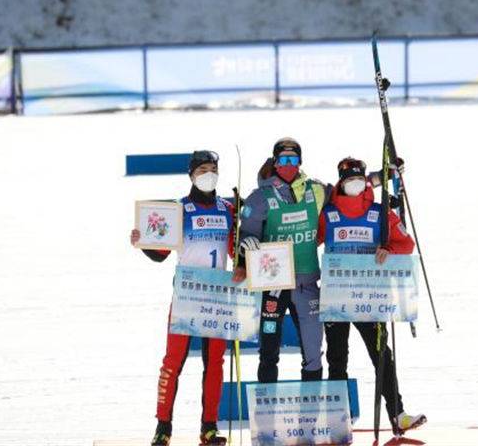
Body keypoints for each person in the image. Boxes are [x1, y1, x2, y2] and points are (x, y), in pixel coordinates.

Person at [130, 150, 234, 446]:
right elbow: (159, 255)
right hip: (187, 296)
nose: (209, 174)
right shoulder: (178, 209)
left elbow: (234, 250)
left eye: (213, 169)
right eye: (203, 169)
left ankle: (209, 427)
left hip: (217, 296)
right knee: (173, 362)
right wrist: (143, 242)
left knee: (215, 363)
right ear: (191, 175)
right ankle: (163, 427)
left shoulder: (227, 208)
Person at [318, 156, 426, 435]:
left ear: (365, 181)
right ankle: (336, 419)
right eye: (348, 180)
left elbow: (406, 243)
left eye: (358, 179)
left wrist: (389, 249)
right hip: (336, 299)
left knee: (381, 355)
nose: (354, 184)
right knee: (336, 358)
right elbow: (308, 241)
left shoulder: (380, 212)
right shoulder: (328, 212)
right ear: (341, 182)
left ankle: (397, 414)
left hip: (370, 298)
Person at [231, 137, 329, 383]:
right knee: (269, 350)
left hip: (306, 285)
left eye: (293, 159)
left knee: (313, 349)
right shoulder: (259, 197)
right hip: (273, 285)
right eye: (283, 159)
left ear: (300, 161)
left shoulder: (315, 190)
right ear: (275, 163)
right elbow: (247, 235)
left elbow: (348, 191)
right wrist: (245, 251)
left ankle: (312, 412)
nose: (288, 164)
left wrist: (380, 177)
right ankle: (268, 412)